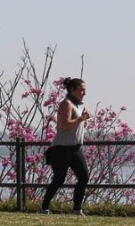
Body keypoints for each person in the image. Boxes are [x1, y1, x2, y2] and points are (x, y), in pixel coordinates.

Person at [39, 77, 91, 215]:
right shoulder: (66, 104)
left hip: (75, 147)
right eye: (81, 90)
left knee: (84, 177)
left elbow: (76, 125)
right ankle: (44, 208)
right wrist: (82, 118)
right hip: (61, 148)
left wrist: (83, 120)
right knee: (59, 179)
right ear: (72, 90)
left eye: (85, 90)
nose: (84, 93)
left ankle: (77, 209)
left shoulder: (79, 105)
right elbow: (63, 126)